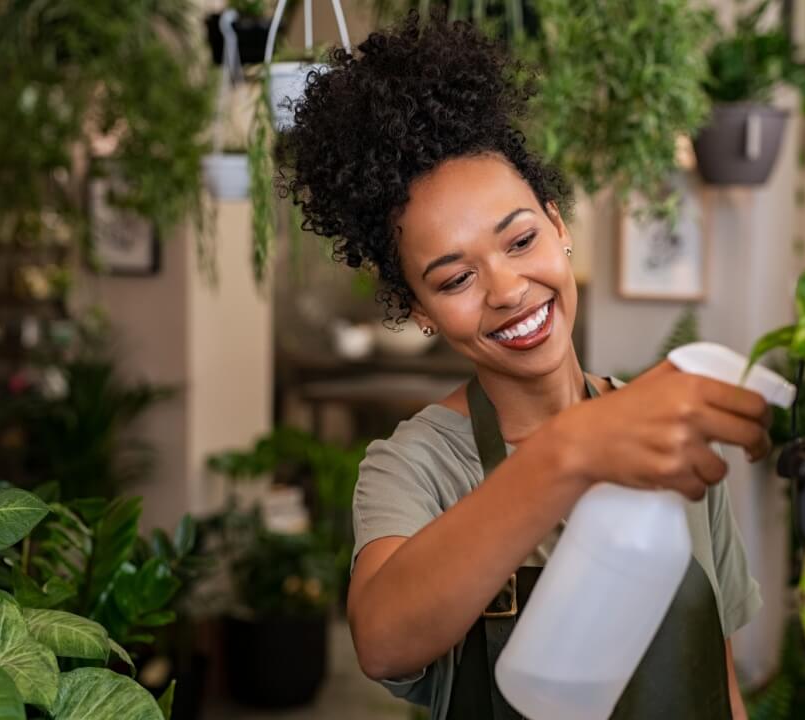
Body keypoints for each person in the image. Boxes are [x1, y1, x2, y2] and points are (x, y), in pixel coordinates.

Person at [278, 13, 772, 720]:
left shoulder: (664, 434)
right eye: (454, 280)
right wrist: (570, 451)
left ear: (559, 226)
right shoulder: (418, 466)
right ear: (420, 312)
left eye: (519, 239)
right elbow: (383, 641)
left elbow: (717, 681)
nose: (508, 290)